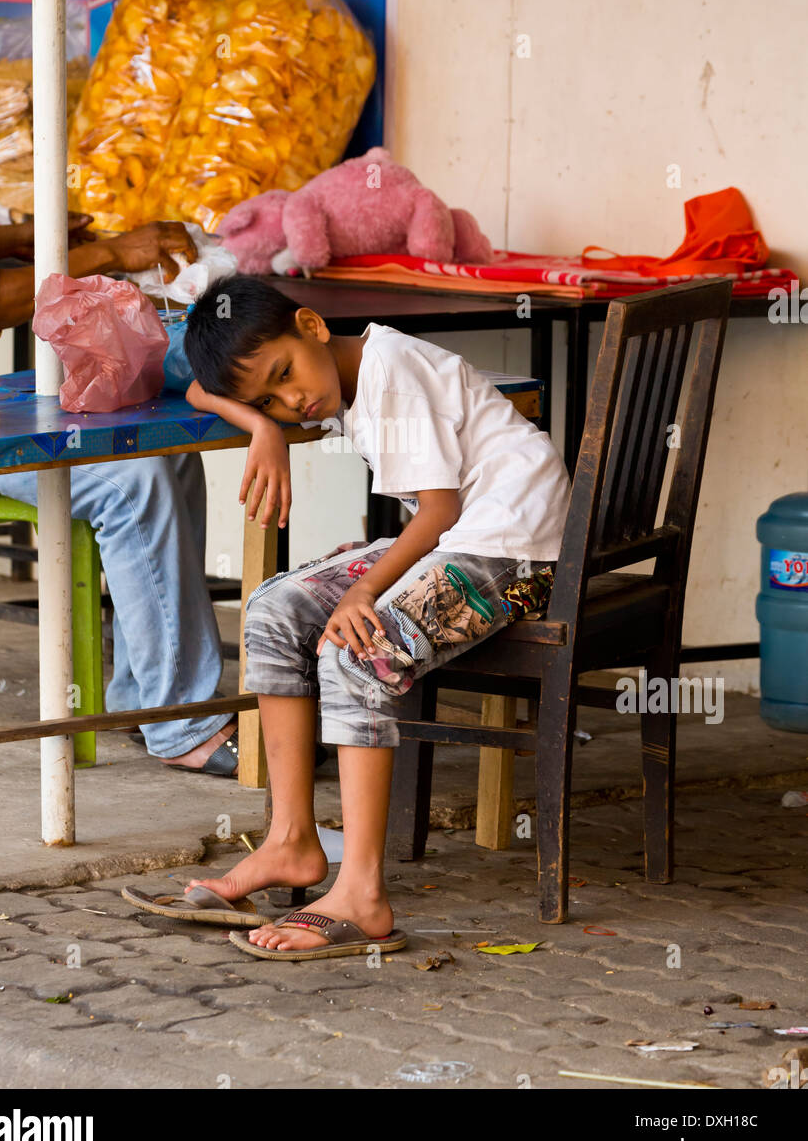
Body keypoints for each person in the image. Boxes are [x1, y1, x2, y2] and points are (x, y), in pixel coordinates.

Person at [180, 275, 571, 957]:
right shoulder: (341, 372)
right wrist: (262, 426)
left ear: (311, 325)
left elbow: (439, 510)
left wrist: (364, 594)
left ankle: (362, 893)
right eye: (271, 397)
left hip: (517, 549)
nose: (294, 399)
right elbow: (195, 386)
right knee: (275, 610)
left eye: (284, 377)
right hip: (463, 537)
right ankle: (292, 842)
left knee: (358, 646)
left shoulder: (392, 374)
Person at [0, 0, 240, 776]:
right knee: (130, 478)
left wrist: (27, 236)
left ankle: (149, 694)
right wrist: (109, 254)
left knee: (168, 455)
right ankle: (185, 728)